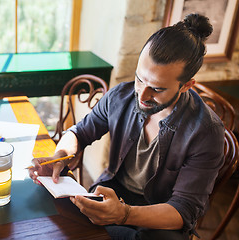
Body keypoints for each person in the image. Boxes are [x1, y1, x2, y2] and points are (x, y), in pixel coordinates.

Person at [29, 13, 224, 240]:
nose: (142, 95)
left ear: (186, 86)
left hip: (161, 216)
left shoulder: (206, 132)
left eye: (157, 89)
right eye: (139, 79)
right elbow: (79, 133)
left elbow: (184, 209)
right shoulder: (120, 97)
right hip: (113, 192)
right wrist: (61, 156)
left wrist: (123, 214)